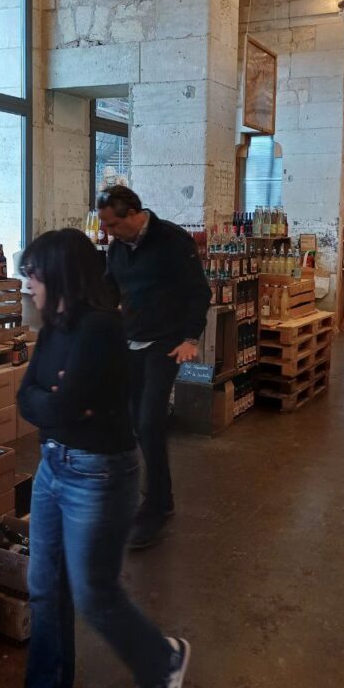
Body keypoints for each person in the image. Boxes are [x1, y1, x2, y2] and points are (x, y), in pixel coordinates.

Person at [0, 229, 189, 688]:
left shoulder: (100, 328)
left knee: (94, 593)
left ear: (60, 274)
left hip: (97, 473)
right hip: (52, 465)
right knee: (44, 587)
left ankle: (162, 662)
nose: (27, 283)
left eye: (34, 273)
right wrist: (55, 402)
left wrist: (56, 403)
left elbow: (57, 405)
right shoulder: (55, 327)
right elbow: (29, 398)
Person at [98, 187, 211, 549]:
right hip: (131, 340)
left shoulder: (172, 241)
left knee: (150, 422)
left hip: (167, 342)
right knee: (135, 421)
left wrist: (190, 337)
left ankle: (158, 505)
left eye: (113, 224)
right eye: (105, 226)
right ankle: (150, 495)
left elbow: (199, 292)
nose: (108, 232)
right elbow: (110, 290)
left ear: (133, 213)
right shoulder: (117, 248)